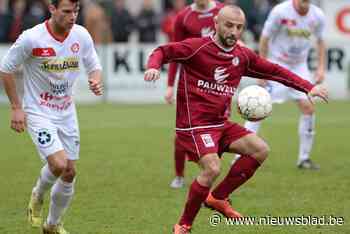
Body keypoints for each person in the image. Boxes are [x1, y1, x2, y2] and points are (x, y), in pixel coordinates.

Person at [144, 5, 328, 234]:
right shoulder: (196, 48)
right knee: (212, 168)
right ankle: (183, 225)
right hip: (194, 125)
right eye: (229, 25)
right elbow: (162, 51)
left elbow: (275, 71)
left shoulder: (241, 56)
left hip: (221, 124)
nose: (234, 31)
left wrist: (308, 87)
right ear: (216, 24)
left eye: (239, 27)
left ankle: (218, 197)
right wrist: (153, 67)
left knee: (260, 149)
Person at [0, 0, 103, 233]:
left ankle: (52, 225)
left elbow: (94, 64)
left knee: (70, 171)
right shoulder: (31, 38)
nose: (72, 16)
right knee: (58, 163)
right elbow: (6, 69)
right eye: (66, 11)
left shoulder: (81, 35)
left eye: (76, 11)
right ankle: (38, 193)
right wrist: (16, 107)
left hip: (66, 113)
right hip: (38, 112)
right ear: (52, 9)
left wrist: (96, 79)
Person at [235, 0, 326, 170]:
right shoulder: (280, 11)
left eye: (307, 2)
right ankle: (239, 154)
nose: (303, 5)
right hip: (276, 65)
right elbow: (265, 38)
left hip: (300, 67)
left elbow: (321, 41)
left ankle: (304, 159)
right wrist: (261, 67)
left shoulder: (318, 16)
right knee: (257, 108)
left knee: (309, 108)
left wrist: (321, 67)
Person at [165, 0, 224, 189]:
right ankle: (179, 176)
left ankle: (209, 169)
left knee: (218, 130)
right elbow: (175, 52)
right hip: (190, 84)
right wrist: (169, 86)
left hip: (217, 81)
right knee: (181, 134)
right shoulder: (183, 17)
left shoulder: (222, 12)